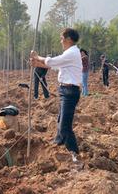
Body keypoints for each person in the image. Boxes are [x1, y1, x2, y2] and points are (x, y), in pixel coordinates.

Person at [30, 28, 82, 163]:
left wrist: (37, 57)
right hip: (66, 91)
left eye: (62, 38)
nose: (61, 41)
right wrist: (38, 63)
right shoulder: (71, 53)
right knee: (60, 120)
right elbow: (57, 66)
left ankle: (75, 153)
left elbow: (52, 62)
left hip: (70, 92)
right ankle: (58, 142)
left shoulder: (71, 52)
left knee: (65, 126)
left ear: (68, 39)